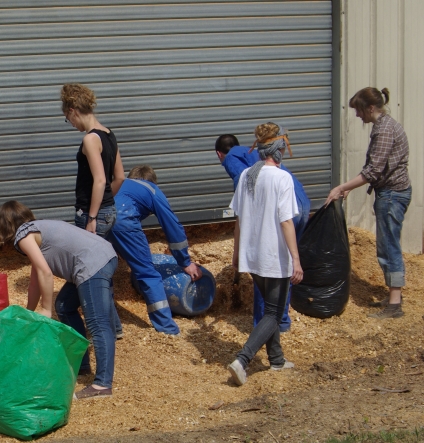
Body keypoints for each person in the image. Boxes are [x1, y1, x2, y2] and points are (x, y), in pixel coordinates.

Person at [0, 201, 118, 399]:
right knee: (64, 306)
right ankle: (82, 364)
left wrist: (45, 309)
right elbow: (36, 280)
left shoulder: (23, 235)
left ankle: (102, 384)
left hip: (92, 263)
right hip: (102, 255)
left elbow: (46, 273)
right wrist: (28, 313)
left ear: (3, 226)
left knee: (97, 322)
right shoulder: (36, 231)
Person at [227, 124, 303, 387]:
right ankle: (242, 360)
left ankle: (277, 359)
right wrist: (296, 259)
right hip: (273, 255)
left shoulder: (246, 175)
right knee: (274, 313)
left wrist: (237, 254)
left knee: (271, 308)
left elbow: (238, 220)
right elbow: (286, 221)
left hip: (253, 255)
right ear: (279, 149)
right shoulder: (282, 178)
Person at [325, 87, 411, 320]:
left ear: (371, 108)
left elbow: (373, 171)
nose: (357, 115)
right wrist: (349, 188)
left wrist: (342, 187)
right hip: (391, 193)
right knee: (387, 245)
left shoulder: (384, 130)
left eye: (359, 110)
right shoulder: (384, 125)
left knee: (388, 246)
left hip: (392, 195)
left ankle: (395, 304)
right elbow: (373, 169)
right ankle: (393, 297)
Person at [215, 132, 311, 332]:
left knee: (264, 267)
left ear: (219, 154)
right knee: (284, 267)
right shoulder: (253, 153)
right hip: (300, 203)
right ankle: (280, 322)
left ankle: (262, 325)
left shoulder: (230, 158)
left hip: (283, 210)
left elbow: (244, 191)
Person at [60, 82, 124, 336]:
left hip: (91, 213)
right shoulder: (109, 134)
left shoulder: (89, 139)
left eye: (68, 119)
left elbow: (99, 180)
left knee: (89, 271)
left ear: (73, 111)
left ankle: (101, 326)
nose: (71, 124)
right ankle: (115, 326)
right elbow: (119, 177)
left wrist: (93, 216)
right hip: (108, 211)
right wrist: (107, 202)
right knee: (100, 267)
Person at [110, 165, 202, 335]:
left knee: (104, 273)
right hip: (124, 220)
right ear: (152, 180)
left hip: (99, 218)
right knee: (148, 275)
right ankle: (167, 328)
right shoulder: (152, 190)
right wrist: (185, 262)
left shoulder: (119, 184)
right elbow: (173, 227)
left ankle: (112, 327)